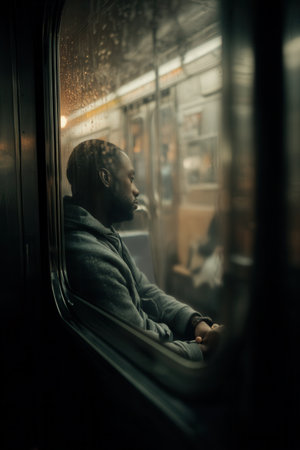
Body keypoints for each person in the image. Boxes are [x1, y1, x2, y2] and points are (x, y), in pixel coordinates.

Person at [63, 139, 222, 361]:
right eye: (130, 178)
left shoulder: (105, 235)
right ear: (106, 178)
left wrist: (195, 323)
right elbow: (138, 347)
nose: (137, 191)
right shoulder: (90, 257)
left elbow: (145, 290)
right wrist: (203, 351)